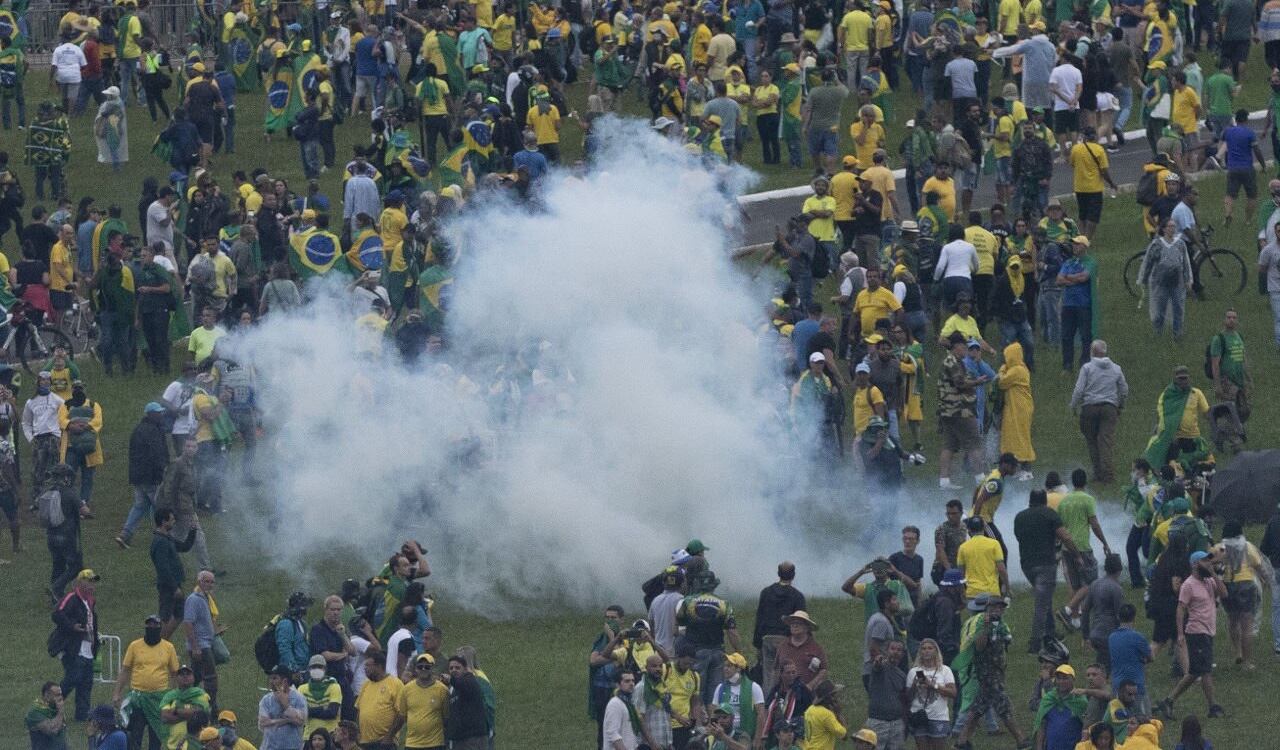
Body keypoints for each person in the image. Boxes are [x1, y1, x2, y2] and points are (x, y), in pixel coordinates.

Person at [951, 594, 1031, 749]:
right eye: (994, 607)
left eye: (1000, 608)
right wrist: (986, 627)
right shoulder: (980, 622)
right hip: (987, 672)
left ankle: (961, 741)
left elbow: (1008, 640)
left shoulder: (1001, 624)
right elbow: (979, 646)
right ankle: (1021, 740)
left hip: (997, 671)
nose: (997, 611)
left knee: (978, 706)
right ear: (987, 608)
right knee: (1003, 705)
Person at [1155, 550, 1227, 720]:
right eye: (1205, 561)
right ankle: (1213, 707)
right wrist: (1180, 634)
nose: (1209, 564)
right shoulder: (1188, 585)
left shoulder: (1209, 581)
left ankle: (1168, 701)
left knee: (1194, 672)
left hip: (1208, 631)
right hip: (1197, 631)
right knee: (1205, 671)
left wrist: (1213, 574)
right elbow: (1180, 609)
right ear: (1195, 565)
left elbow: (1224, 594)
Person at [1014, 490, 1080, 653]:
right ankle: (1035, 643)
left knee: (1045, 598)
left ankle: (1050, 633)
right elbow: (1065, 537)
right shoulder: (1050, 514)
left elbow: (1018, 537)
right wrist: (1077, 555)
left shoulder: (1020, 517)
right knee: (1041, 604)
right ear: (1045, 501)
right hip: (1045, 564)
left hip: (1027, 565)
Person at [114, 614, 180, 750]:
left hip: (158, 699)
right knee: (134, 735)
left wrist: (174, 697)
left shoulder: (168, 647)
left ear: (160, 628)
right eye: (149, 625)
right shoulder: (135, 646)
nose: (152, 628)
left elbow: (174, 674)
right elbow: (125, 670)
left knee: (156, 736)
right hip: (138, 698)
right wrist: (117, 693)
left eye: (155, 625)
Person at [1218, 520, 1268, 671]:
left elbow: (1212, 563)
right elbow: (1259, 566)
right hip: (1246, 585)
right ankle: (1247, 663)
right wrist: (1265, 579)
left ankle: (1237, 652)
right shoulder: (1247, 546)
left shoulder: (1220, 547)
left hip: (1228, 585)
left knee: (1232, 620)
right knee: (1247, 625)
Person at [50, 569, 99, 722]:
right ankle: (51, 707)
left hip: (88, 648)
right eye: (88, 581)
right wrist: (72, 626)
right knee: (72, 678)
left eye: (93, 582)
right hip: (73, 647)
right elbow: (57, 613)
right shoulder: (72, 597)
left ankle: (82, 715)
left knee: (86, 682)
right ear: (79, 582)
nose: (91, 585)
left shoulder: (90, 601)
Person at [753, 561, 806, 695]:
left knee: (768, 675)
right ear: (793, 575)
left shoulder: (766, 593)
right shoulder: (797, 596)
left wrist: (758, 644)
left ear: (778, 574)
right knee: (788, 674)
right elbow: (801, 621)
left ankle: (768, 702)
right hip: (787, 640)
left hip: (767, 639)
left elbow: (760, 618)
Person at [1138, 218, 1194, 339]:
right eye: (1170, 226)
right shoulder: (1157, 245)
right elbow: (1149, 262)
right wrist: (1144, 279)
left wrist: (1188, 279)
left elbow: (1185, 263)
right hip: (1160, 282)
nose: (1172, 229)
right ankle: (1158, 332)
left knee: (1178, 308)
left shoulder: (1180, 244)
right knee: (1160, 309)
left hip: (1177, 282)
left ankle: (1177, 333)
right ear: (1164, 229)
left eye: (1174, 226)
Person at [1057, 235, 1097, 371]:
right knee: (1066, 336)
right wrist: (1074, 279)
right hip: (1068, 304)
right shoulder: (1068, 262)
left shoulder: (1090, 262)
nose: (1074, 246)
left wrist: (1068, 277)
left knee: (1086, 336)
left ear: (1085, 247)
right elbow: (1058, 280)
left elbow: (1084, 277)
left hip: (1083, 305)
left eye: (1078, 244)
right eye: (1073, 244)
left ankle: (1085, 364)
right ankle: (1067, 365)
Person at [711, 652, 765, 748]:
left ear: (739, 668)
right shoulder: (720, 688)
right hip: (724, 734)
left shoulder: (754, 687)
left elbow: (761, 714)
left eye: (729, 666)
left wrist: (758, 738)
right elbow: (713, 713)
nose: (725, 669)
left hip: (745, 736)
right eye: (725, 666)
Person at [182, 570, 219, 711]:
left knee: (195, 676)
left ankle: (186, 702)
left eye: (212, 582)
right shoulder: (194, 599)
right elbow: (188, 623)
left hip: (206, 642)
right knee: (210, 677)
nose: (210, 585)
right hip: (201, 645)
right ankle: (211, 707)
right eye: (206, 581)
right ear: (199, 582)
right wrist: (195, 647)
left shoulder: (205, 598)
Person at [1081, 554, 1126, 666]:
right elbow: (1121, 616)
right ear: (1119, 570)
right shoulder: (1116, 589)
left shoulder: (1095, 584)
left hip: (1095, 633)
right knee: (1108, 668)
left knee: (1102, 663)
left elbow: (1085, 610)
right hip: (1109, 635)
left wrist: (1085, 635)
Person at [1208, 308, 1250, 423]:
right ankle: (1227, 431)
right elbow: (1215, 364)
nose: (1231, 320)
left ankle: (1238, 431)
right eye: (1229, 317)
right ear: (1224, 320)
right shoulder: (1219, 339)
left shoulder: (1239, 336)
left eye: (1234, 317)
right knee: (1230, 410)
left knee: (1244, 410)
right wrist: (1217, 386)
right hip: (1226, 381)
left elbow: (1243, 359)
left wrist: (1248, 379)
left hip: (1239, 380)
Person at [355, 654, 403, 750]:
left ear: (379, 666)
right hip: (364, 742)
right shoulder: (366, 684)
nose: (365, 668)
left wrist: (389, 736)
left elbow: (401, 713)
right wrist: (358, 732)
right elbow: (359, 710)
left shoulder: (396, 684)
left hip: (384, 742)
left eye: (368, 665)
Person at [445, 655, 489, 750]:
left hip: (473, 738)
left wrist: (450, 679)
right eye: (451, 668)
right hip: (460, 738)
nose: (454, 670)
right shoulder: (454, 688)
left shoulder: (469, 680)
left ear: (465, 669)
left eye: (457, 667)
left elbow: (463, 685)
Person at [259, 664, 307, 750]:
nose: (271, 682)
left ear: (285, 681)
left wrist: (286, 705)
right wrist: (286, 720)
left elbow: (300, 721)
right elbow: (262, 723)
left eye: (274, 678)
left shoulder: (298, 698)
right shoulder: (266, 700)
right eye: (270, 678)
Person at [299, 653, 342, 736]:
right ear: (309, 669)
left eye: (319, 667)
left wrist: (309, 711)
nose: (317, 669)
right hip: (309, 736)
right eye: (314, 667)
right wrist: (323, 708)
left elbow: (332, 713)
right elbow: (301, 714)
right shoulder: (302, 689)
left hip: (330, 734)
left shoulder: (334, 686)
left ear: (325, 669)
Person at [26, 682, 68, 750]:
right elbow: (53, 731)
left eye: (61, 694)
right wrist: (60, 713)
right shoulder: (35, 712)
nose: (61, 698)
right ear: (47, 696)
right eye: (57, 695)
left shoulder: (54, 708)